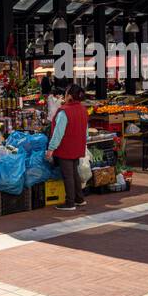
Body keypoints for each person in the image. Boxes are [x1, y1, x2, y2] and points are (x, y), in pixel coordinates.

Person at [45, 84, 89, 212]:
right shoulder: (82, 109)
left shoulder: (65, 111)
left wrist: (51, 149)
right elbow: (85, 131)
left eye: (66, 92)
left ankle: (70, 202)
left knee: (68, 175)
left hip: (66, 148)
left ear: (69, 95)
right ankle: (79, 199)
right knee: (74, 173)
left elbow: (58, 133)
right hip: (77, 146)